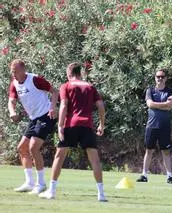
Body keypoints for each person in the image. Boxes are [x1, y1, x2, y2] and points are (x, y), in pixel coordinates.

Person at [39, 63, 106, 201]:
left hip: (71, 124)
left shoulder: (66, 86)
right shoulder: (90, 86)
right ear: (80, 73)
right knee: (94, 160)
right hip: (87, 126)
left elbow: (63, 105)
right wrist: (101, 124)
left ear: (69, 73)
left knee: (59, 156)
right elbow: (100, 105)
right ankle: (101, 194)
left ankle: (51, 191)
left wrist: (60, 125)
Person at [8, 59, 59, 194]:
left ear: (23, 70)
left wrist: (53, 108)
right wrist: (12, 113)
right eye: (12, 71)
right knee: (22, 148)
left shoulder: (35, 80)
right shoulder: (14, 83)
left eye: (16, 71)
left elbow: (55, 92)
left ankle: (41, 184)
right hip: (34, 119)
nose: (14, 74)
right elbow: (11, 101)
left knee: (33, 147)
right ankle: (29, 183)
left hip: (46, 116)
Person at [136, 70, 172, 184]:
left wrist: (156, 105)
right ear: (155, 78)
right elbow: (149, 104)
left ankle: (169, 176)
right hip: (151, 126)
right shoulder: (150, 90)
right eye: (158, 76)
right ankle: (144, 175)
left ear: (166, 78)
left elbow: (170, 107)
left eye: (162, 77)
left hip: (164, 126)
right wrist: (163, 105)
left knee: (166, 151)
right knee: (149, 150)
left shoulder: (170, 91)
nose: (160, 78)